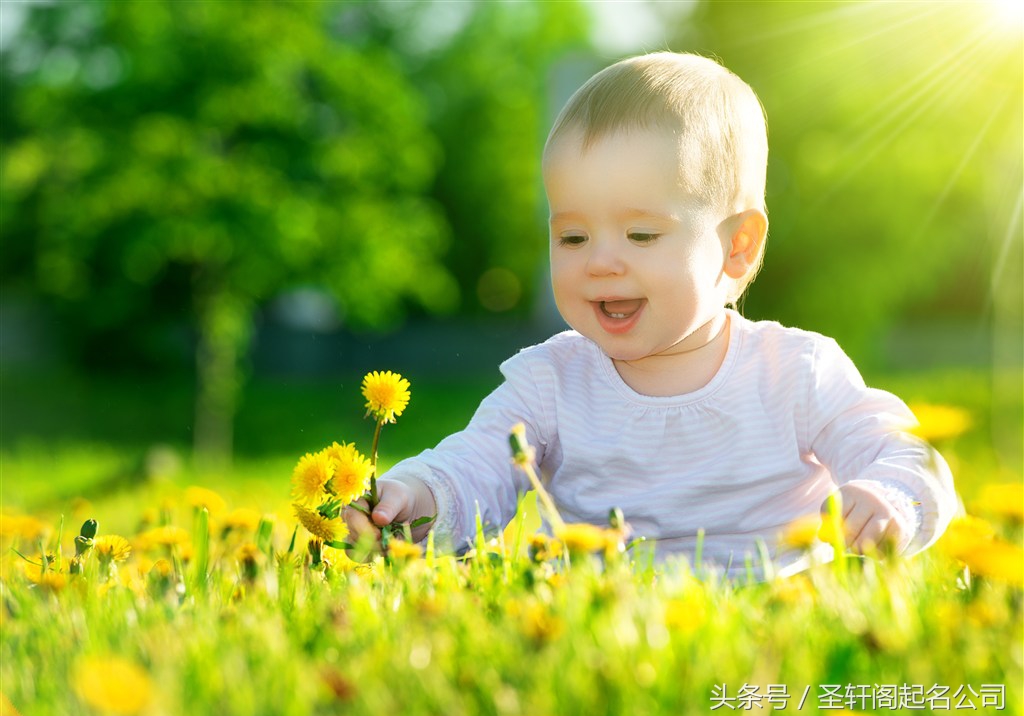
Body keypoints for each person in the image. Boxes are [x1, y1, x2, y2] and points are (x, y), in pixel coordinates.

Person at [344, 51, 957, 577]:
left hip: (776, 626)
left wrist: (889, 500)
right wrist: (417, 497)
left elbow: (904, 454)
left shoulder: (795, 372)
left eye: (640, 235)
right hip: (603, 621)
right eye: (573, 238)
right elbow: (476, 466)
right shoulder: (551, 381)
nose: (601, 263)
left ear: (737, 247)